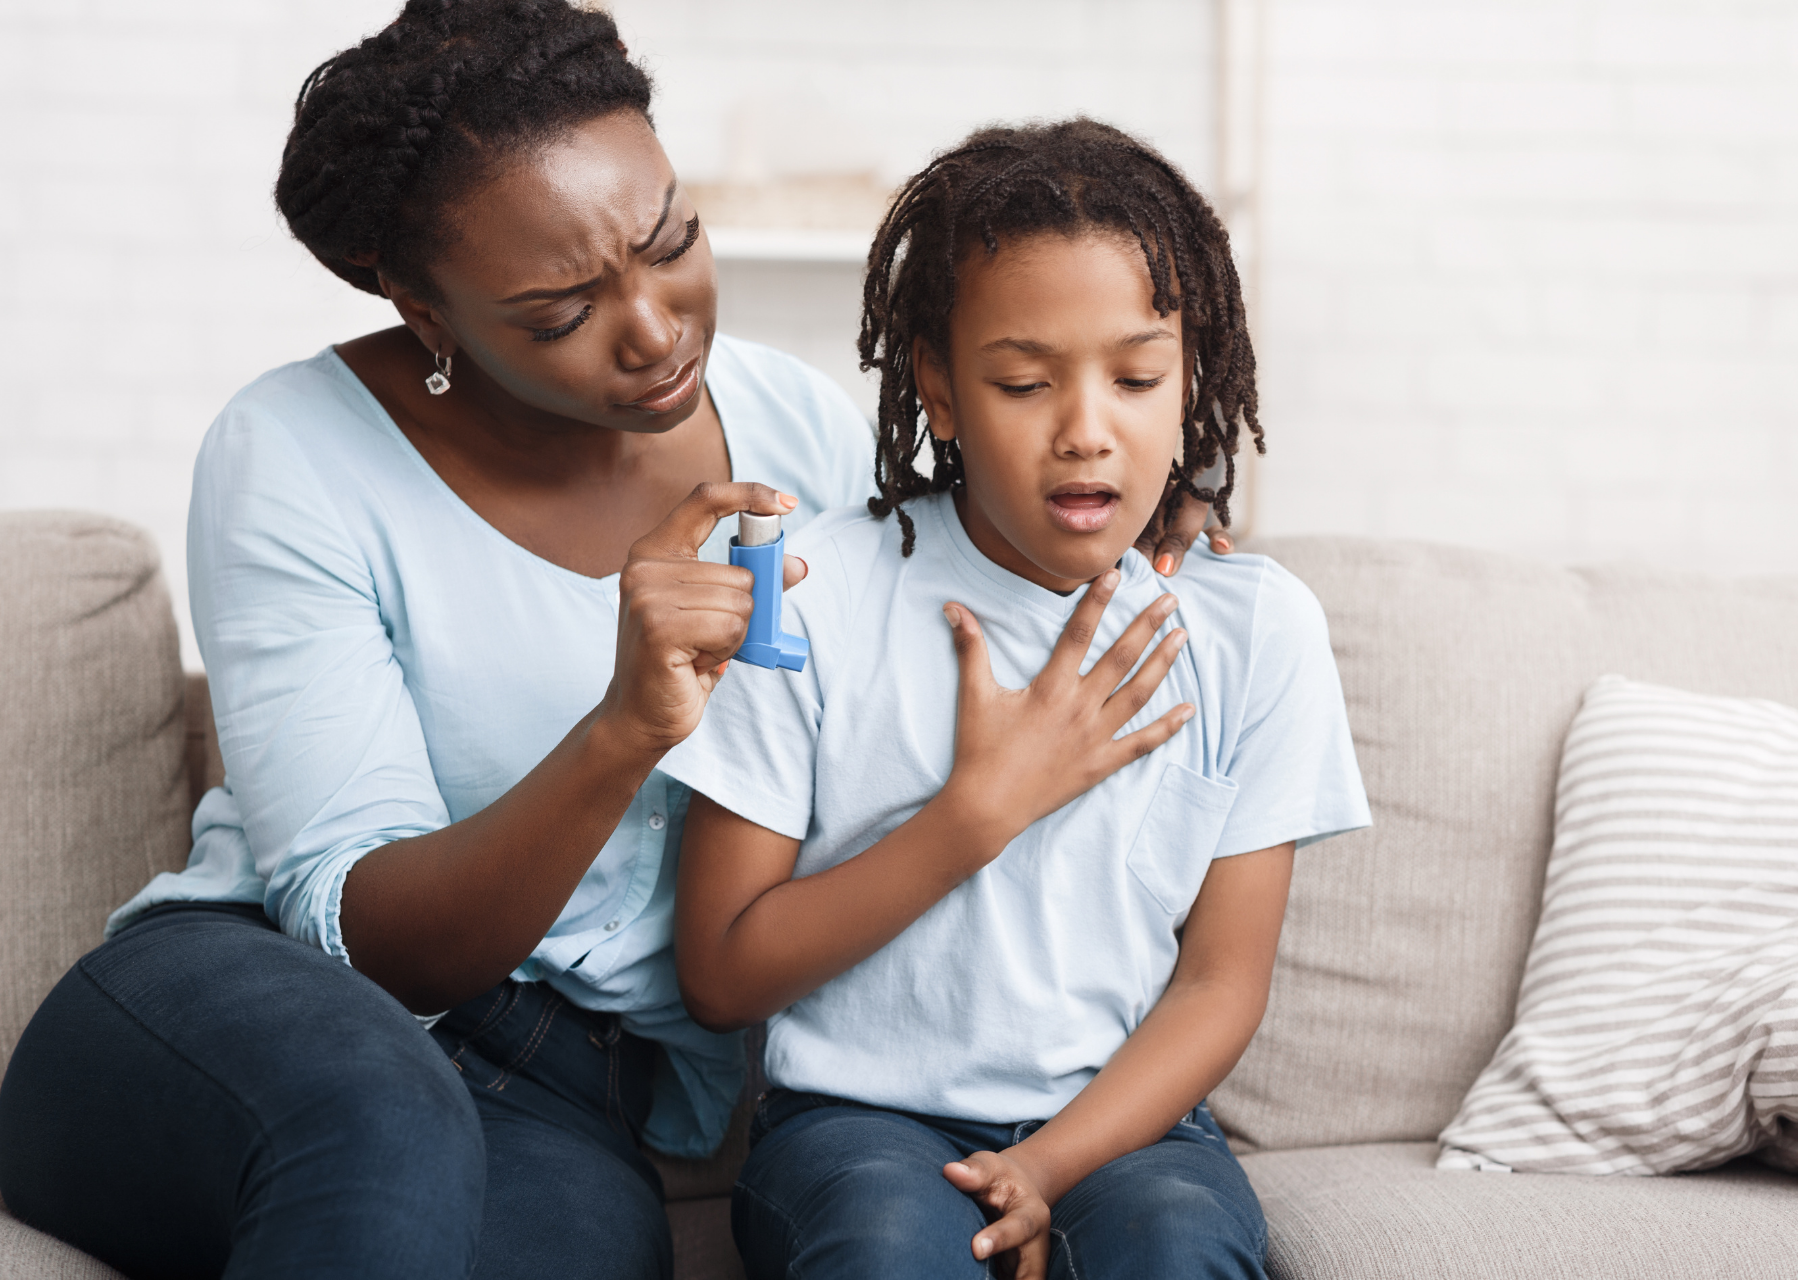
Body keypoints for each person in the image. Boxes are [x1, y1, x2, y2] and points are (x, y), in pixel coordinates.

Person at [0, 6, 1232, 1279]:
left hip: (564, 1084)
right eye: (558, 310)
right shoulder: (294, 454)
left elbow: (1012, 500)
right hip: (262, 1005)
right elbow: (362, 937)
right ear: (426, 308)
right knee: (383, 1118)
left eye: (673, 242)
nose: (654, 327)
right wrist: (622, 728)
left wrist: (1175, 500)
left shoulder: (793, 430)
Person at [663, 118, 1374, 1280]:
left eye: (1138, 376)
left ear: (1192, 378)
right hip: (859, 1121)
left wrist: (1048, 1161)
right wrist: (976, 814)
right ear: (939, 387)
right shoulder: (814, 591)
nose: (1087, 428)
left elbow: (1220, 981)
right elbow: (722, 970)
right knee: (886, 1250)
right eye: (1025, 381)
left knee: (1179, 1247)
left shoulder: (1255, 628)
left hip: (1129, 1123)